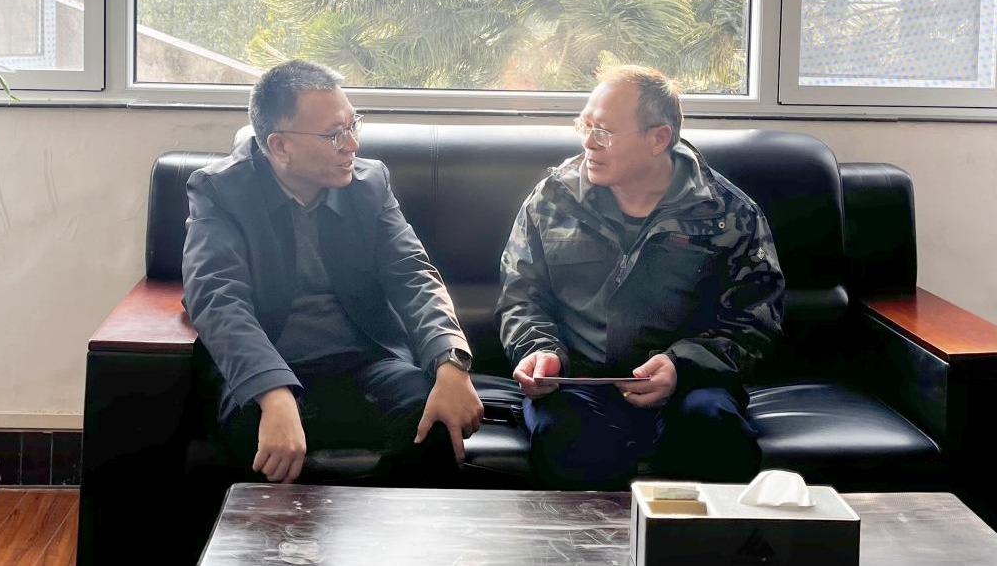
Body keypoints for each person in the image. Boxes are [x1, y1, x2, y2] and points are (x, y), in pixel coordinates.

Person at [182, 60, 484, 486]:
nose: (352, 145)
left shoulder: (369, 184)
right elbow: (217, 299)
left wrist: (451, 360)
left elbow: (413, 275)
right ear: (280, 146)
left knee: (435, 423)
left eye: (352, 125)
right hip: (273, 365)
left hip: (366, 361)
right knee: (257, 437)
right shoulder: (220, 191)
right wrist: (273, 391)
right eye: (334, 134)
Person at [497, 65, 784, 490]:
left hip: (689, 384)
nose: (588, 142)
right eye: (585, 126)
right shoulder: (554, 199)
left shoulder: (727, 212)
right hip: (578, 381)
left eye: (604, 131)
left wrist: (681, 365)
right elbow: (521, 297)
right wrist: (540, 351)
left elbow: (755, 319)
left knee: (713, 430)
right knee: (566, 437)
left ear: (658, 138)